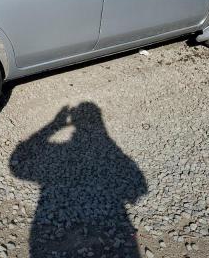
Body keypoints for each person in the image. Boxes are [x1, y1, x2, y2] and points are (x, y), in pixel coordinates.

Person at [10, 103, 147, 257]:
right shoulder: (112, 151)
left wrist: (54, 126)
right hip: (115, 228)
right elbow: (139, 190)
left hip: (48, 225)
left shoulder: (59, 152)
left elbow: (17, 165)